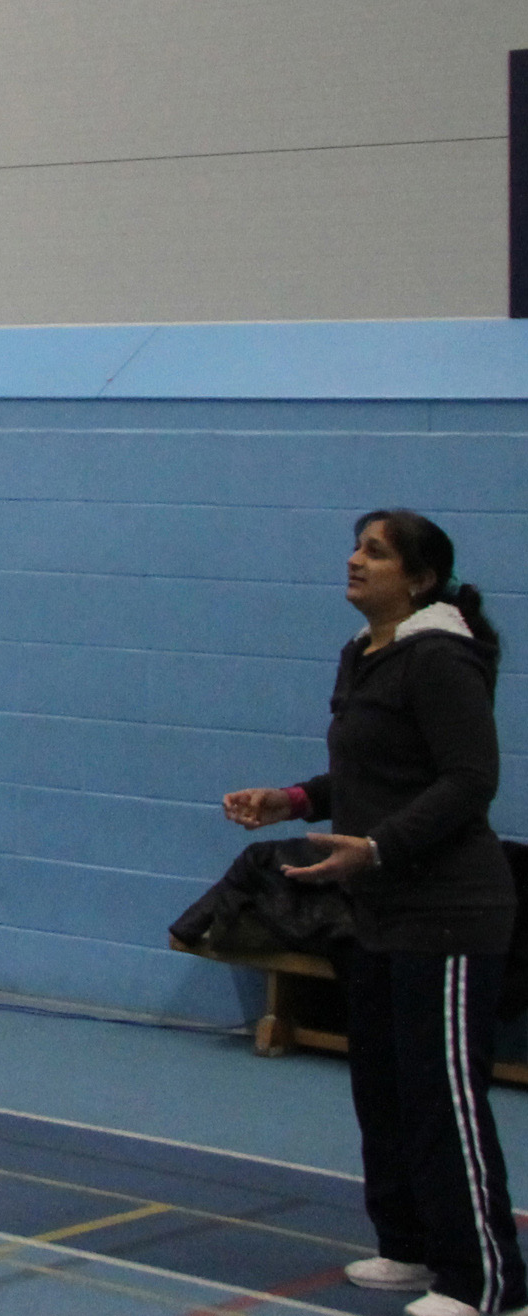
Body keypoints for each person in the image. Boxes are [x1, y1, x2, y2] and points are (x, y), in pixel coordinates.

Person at [223, 510, 522, 1316]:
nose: (355, 561)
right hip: (381, 912)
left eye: (377, 553)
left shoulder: (441, 660)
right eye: (357, 546)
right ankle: (411, 1247)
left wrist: (379, 847)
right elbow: (365, 772)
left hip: (451, 912)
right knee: (385, 1090)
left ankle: (484, 1281)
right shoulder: (365, 656)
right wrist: (288, 799)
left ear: (419, 580)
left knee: (443, 1097)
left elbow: (467, 781)